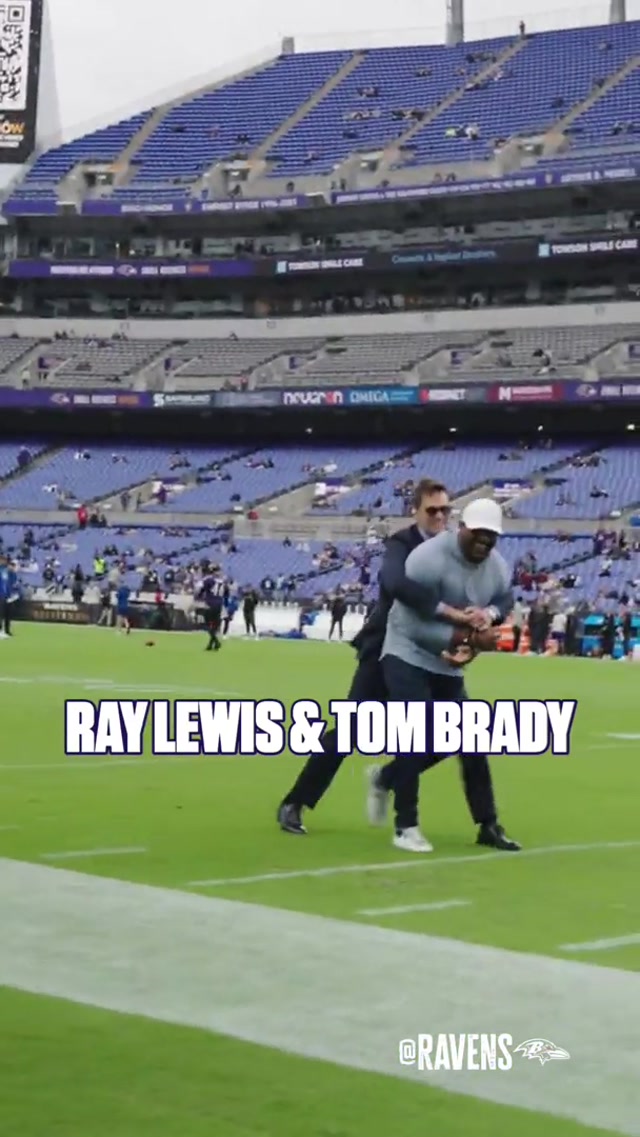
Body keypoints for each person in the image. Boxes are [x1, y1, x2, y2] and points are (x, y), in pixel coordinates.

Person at [277, 480, 498, 839]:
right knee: (351, 730)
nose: (439, 516)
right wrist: (451, 614)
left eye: (445, 510)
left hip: (433, 654)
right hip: (386, 650)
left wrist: (472, 637)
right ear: (415, 511)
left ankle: (485, 822)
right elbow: (395, 583)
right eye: (432, 510)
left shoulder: (458, 550)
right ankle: (295, 802)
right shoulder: (401, 544)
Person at [367, 498, 521, 853]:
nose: (484, 541)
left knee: (470, 739)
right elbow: (407, 619)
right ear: (462, 527)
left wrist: (488, 616)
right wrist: (462, 638)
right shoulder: (427, 558)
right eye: (478, 533)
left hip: (446, 661)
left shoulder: (496, 566)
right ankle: (406, 826)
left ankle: (487, 824)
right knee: (415, 733)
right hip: (407, 651)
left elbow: (505, 600)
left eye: (491, 536)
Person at [200, 570, 227, 652]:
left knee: (206, 624)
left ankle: (216, 641)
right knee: (215, 626)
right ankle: (211, 645)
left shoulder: (209, 580)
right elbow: (226, 593)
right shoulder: (223, 582)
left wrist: (199, 596)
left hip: (210, 604)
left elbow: (203, 589)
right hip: (219, 604)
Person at [0, 555, 18, 637]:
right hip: (1, 595)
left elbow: (14, 582)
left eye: (4, 560)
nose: (2, 561)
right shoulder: (2, 570)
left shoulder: (9, 571)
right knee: (1, 613)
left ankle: (7, 630)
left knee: (8, 614)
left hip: (8, 596)